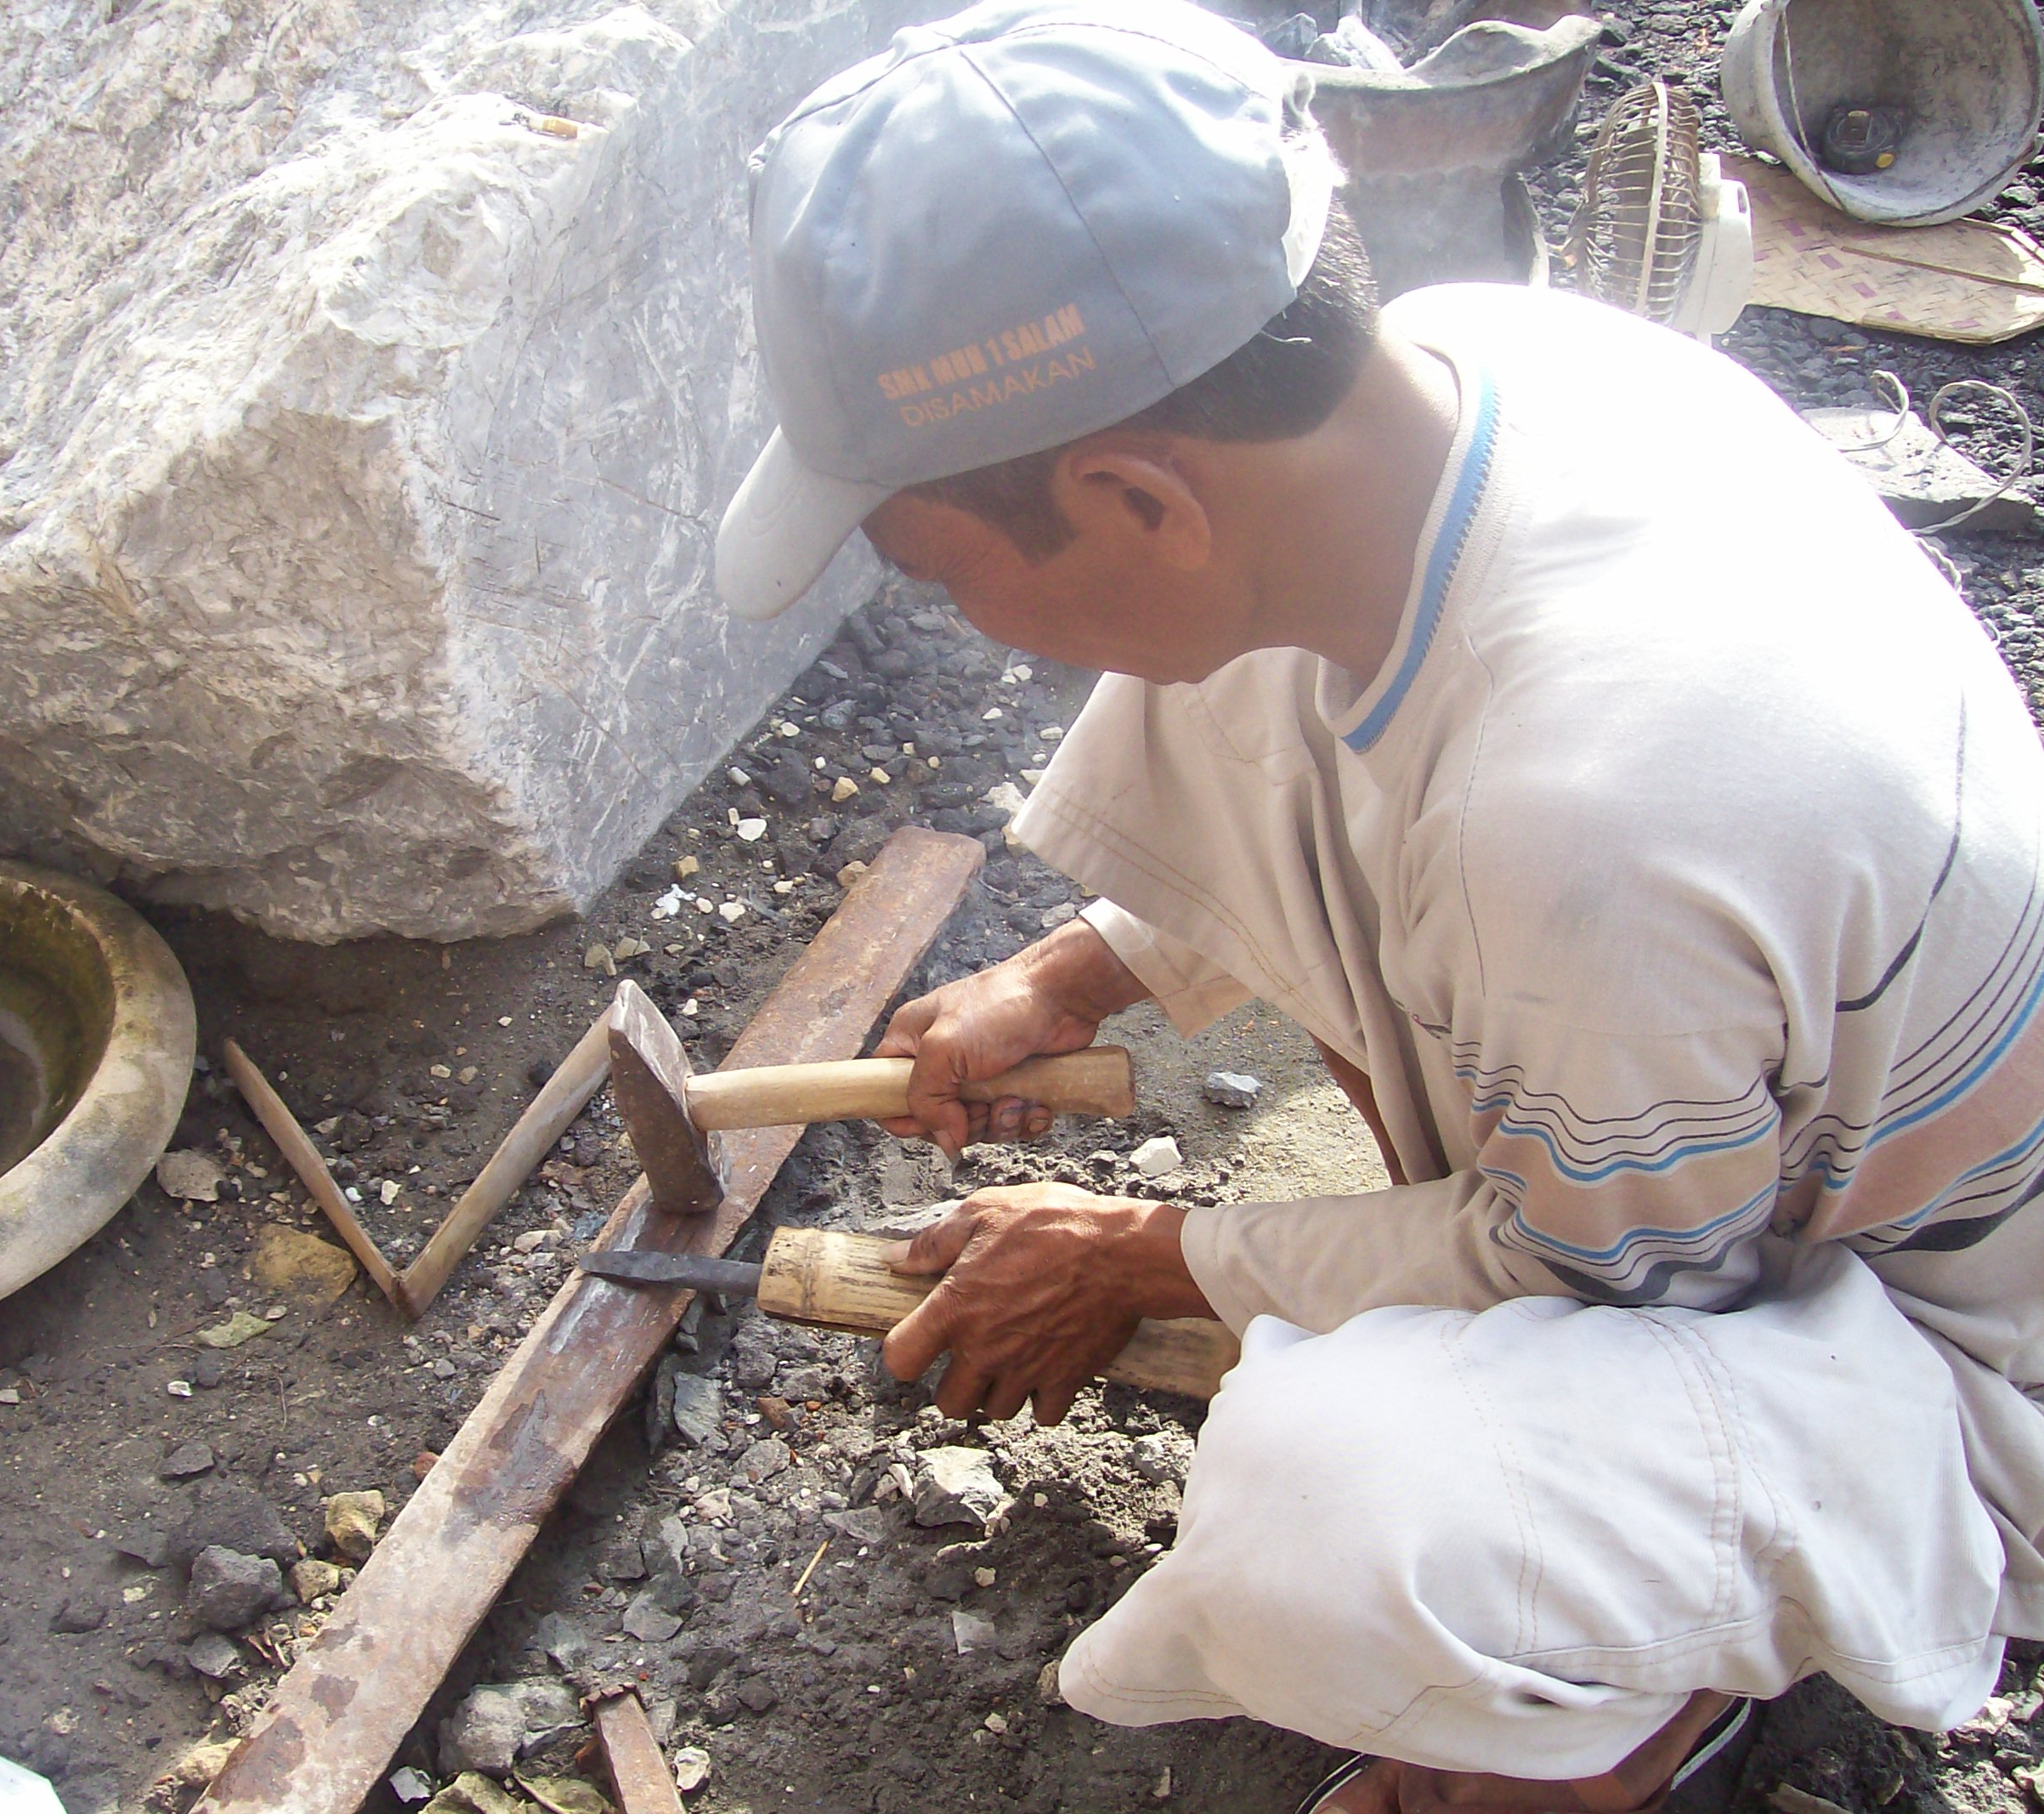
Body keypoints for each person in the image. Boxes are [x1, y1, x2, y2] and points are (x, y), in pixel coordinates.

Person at [709, 3, 2044, 1811]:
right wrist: (1077, 970)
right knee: (1259, 670)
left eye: (947, 578)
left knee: (1332, 1510)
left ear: (1124, 494)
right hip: (1719, 1095)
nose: (968, 627)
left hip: (1935, 1373)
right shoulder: (1472, 362)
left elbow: (1601, 1277)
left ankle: (1631, 1704)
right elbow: (1332, 724)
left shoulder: (1589, 830)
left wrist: (1135, 1256)